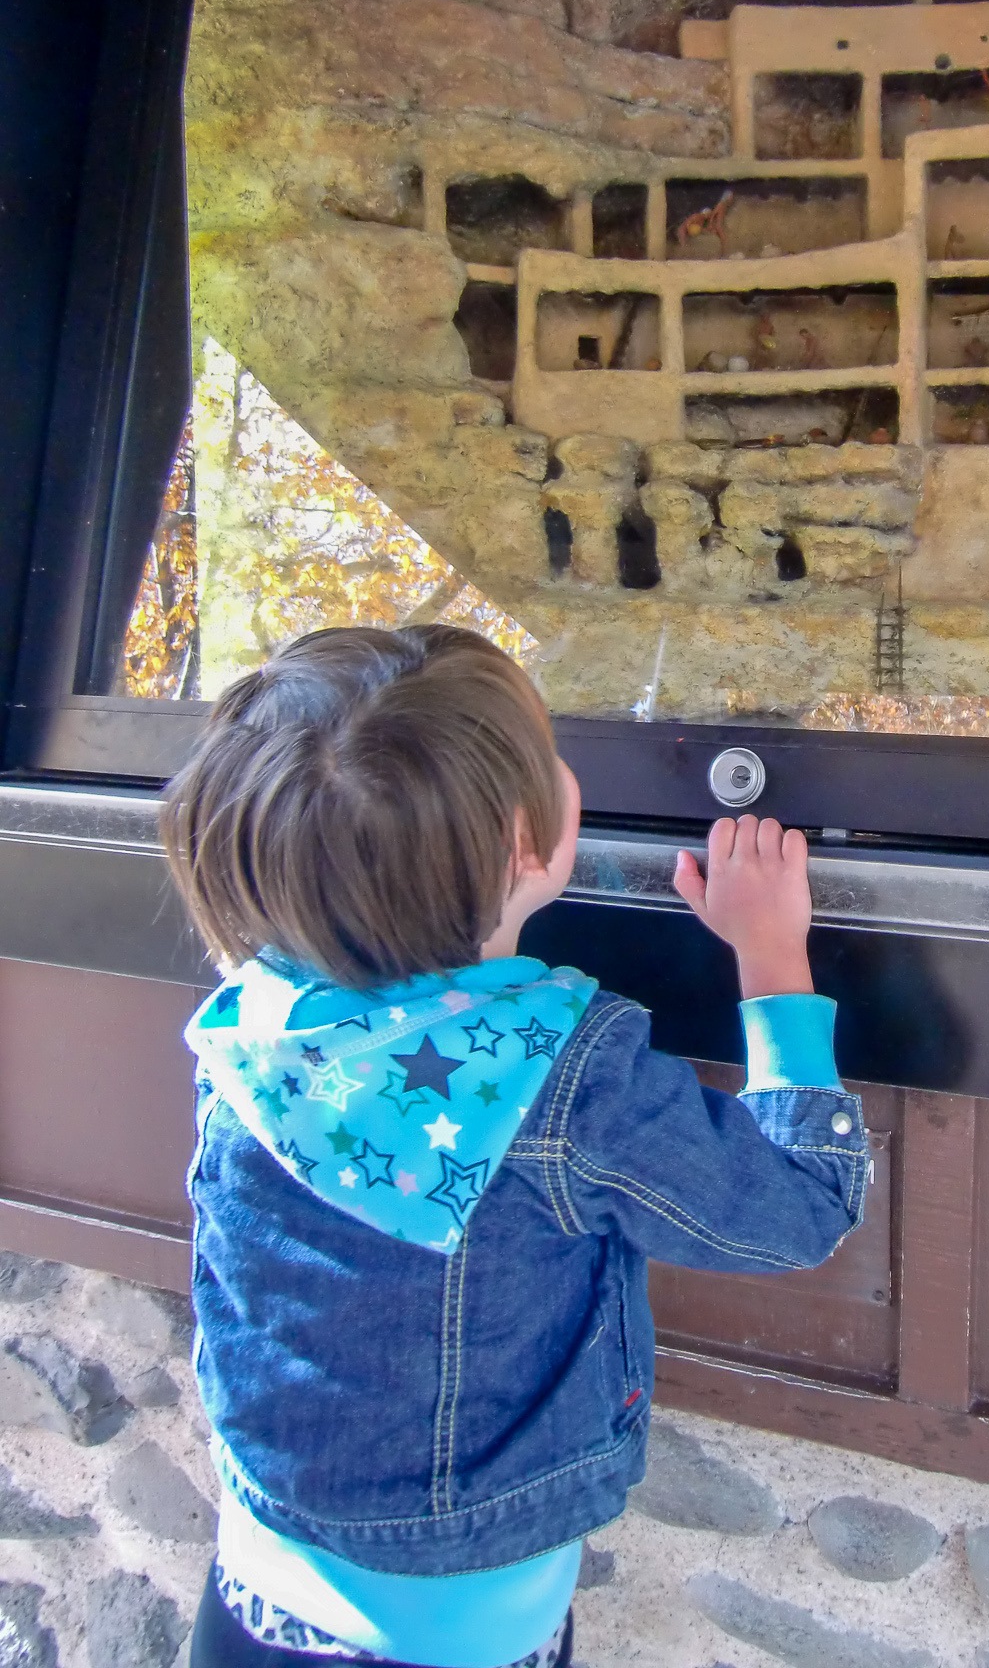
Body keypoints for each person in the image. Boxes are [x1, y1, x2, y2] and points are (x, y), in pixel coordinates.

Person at [163, 625, 869, 1668]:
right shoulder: (563, 1080)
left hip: (256, 1595)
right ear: (526, 841)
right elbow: (797, 1204)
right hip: (460, 1637)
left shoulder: (250, 1026)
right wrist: (771, 955)